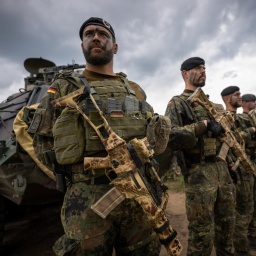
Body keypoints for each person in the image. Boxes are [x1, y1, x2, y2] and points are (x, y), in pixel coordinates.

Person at [29, 17, 161, 256]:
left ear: (115, 46)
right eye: (89, 34)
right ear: (82, 45)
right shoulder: (63, 87)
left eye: (103, 34)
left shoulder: (135, 89)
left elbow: (150, 134)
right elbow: (41, 140)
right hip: (87, 197)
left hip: (138, 190)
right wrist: (73, 174)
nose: (96, 37)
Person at [165, 57, 236, 256]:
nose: (203, 71)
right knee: (202, 234)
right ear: (185, 73)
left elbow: (227, 141)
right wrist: (202, 126)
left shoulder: (214, 106)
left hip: (222, 169)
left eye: (204, 68)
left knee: (227, 226)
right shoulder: (178, 103)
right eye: (197, 68)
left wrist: (231, 167)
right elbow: (170, 136)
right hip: (199, 173)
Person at [221, 87, 255, 256]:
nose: (240, 98)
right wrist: (252, 131)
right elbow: (233, 140)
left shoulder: (241, 118)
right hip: (236, 169)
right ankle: (241, 249)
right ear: (227, 98)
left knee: (249, 208)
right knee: (242, 211)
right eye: (237, 95)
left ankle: (248, 242)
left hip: (246, 166)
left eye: (241, 95)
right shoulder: (226, 118)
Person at [240, 94, 256, 252]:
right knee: (247, 203)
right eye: (252, 101)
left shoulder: (253, 118)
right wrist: (251, 131)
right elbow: (238, 138)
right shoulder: (241, 118)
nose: (255, 103)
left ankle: (253, 235)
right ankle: (244, 240)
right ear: (245, 103)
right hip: (246, 164)